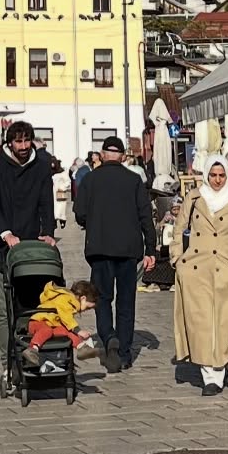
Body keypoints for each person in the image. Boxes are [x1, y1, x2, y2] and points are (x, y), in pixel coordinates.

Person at [0, 121, 57, 387]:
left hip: (31, 251)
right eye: (18, 141)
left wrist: (48, 231)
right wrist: (5, 233)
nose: (23, 147)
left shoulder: (41, 165)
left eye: (27, 141)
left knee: (30, 309)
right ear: (9, 142)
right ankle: (7, 364)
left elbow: (46, 200)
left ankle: (31, 355)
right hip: (0, 248)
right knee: (4, 310)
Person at [174, 155, 228, 396]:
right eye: (213, 175)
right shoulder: (194, 198)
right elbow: (179, 228)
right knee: (202, 324)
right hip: (197, 269)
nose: (217, 180)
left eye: (222, 175)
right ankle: (211, 377)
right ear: (206, 175)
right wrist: (177, 260)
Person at [72, 136, 157, 373]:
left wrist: (94, 221)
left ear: (102, 154)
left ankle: (109, 336)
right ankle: (125, 354)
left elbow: (79, 213)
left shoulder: (90, 179)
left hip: (100, 248)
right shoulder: (134, 180)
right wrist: (151, 249)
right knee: (126, 302)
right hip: (128, 250)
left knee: (101, 299)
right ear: (122, 156)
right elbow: (146, 216)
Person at [21, 277, 101, 369]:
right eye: (87, 307)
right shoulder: (66, 299)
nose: (86, 310)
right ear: (83, 298)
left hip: (52, 324)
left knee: (67, 332)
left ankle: (82, 348)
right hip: (38, 322)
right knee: (47, 330)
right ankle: (32, 349)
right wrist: (78, 331)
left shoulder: (71, 302)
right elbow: (66, 317)